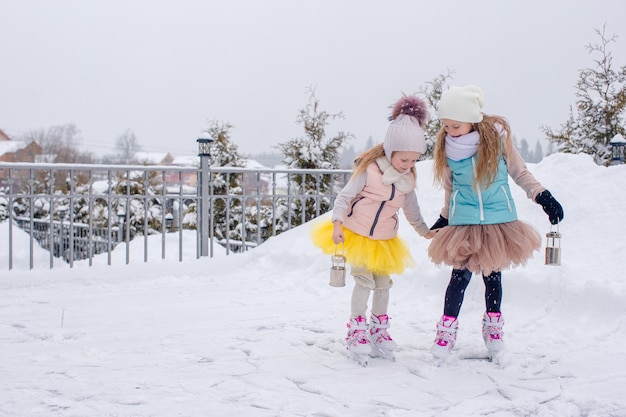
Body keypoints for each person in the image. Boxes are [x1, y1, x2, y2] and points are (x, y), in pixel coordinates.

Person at [427, 85, 564, 361]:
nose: (449, 130)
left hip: (498, 220)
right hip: (463, 221)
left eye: (455, 125)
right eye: (445, 125)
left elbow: (519, 171)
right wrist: (445, 215)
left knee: (493, 276)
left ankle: (493, 328)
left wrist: (542, 196)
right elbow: (450, 187)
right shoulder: (448, 147)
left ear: (472, 119)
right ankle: (446, 330)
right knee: (459, 277)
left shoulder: (498, 140)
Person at [311, 95, 436, 364]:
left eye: (414, 161)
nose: (408, 166)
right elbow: (344, 197)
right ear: (391, 152)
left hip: (384, 239)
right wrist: (336, 222)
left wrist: (424, 231)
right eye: (404, 160)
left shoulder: (407, 179)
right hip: (357, 234)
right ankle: (357, 329)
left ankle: (379, 329)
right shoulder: (370, 171)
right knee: (364, 281)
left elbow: (411, 210)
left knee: (383, 285)